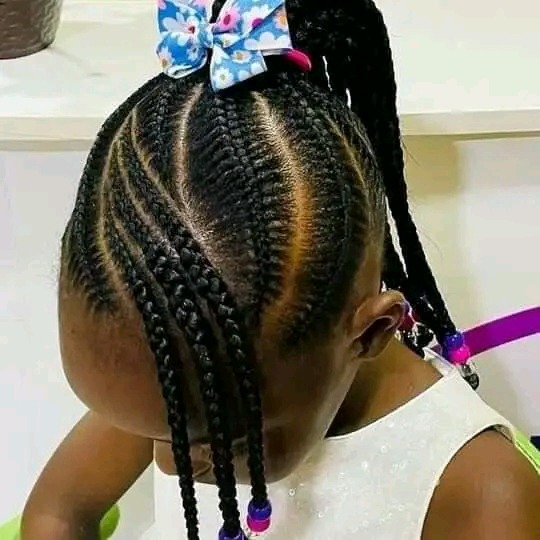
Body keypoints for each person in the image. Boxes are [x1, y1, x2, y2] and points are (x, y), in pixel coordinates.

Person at [20, 0, 540, 539]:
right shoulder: (173, 390)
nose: (170, 465)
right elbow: (58, 512)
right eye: (157, 432)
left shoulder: (479, 492)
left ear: (371, 332)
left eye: (228, 442)